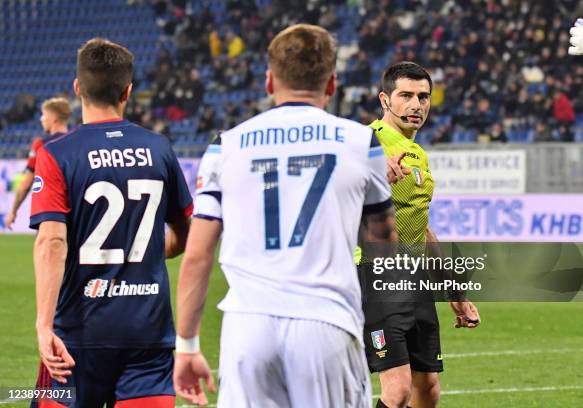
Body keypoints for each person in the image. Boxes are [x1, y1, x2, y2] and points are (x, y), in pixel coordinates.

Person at [173, 24, 398, 406]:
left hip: (248, 326)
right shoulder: (362, 142)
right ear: (331, 84)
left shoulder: (224, 146)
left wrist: (187, 345)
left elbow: (196, 254)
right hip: (326, 322)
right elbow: (384, 240)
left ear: (268, 81)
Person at [29, 38, 192, 408]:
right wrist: (143, 253)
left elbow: (51, 243)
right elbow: (186, 233)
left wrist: (43, 325)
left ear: (76, 88)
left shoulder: (56, 154)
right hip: (147, 333)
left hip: (77, 333)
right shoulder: (159, 147)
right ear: (128, 91)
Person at [361, 62, 481, 408]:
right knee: (397, 391)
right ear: (385, 99)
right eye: (406, 96)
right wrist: (367, 172)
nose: (417, 105)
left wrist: (454, 291)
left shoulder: (419, 155)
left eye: (423, 97)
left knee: (427, 389)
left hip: (414, 279)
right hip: (375, 274)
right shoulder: (364, 144)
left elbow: (422, 226)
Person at [4, 97, 71, 230]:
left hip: (51, 214)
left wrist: (13, 211)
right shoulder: (78, 142)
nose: (41, 119)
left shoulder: (42, 146)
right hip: (78, 213)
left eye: (44, 115)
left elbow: (26, 184)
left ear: (53, 119)